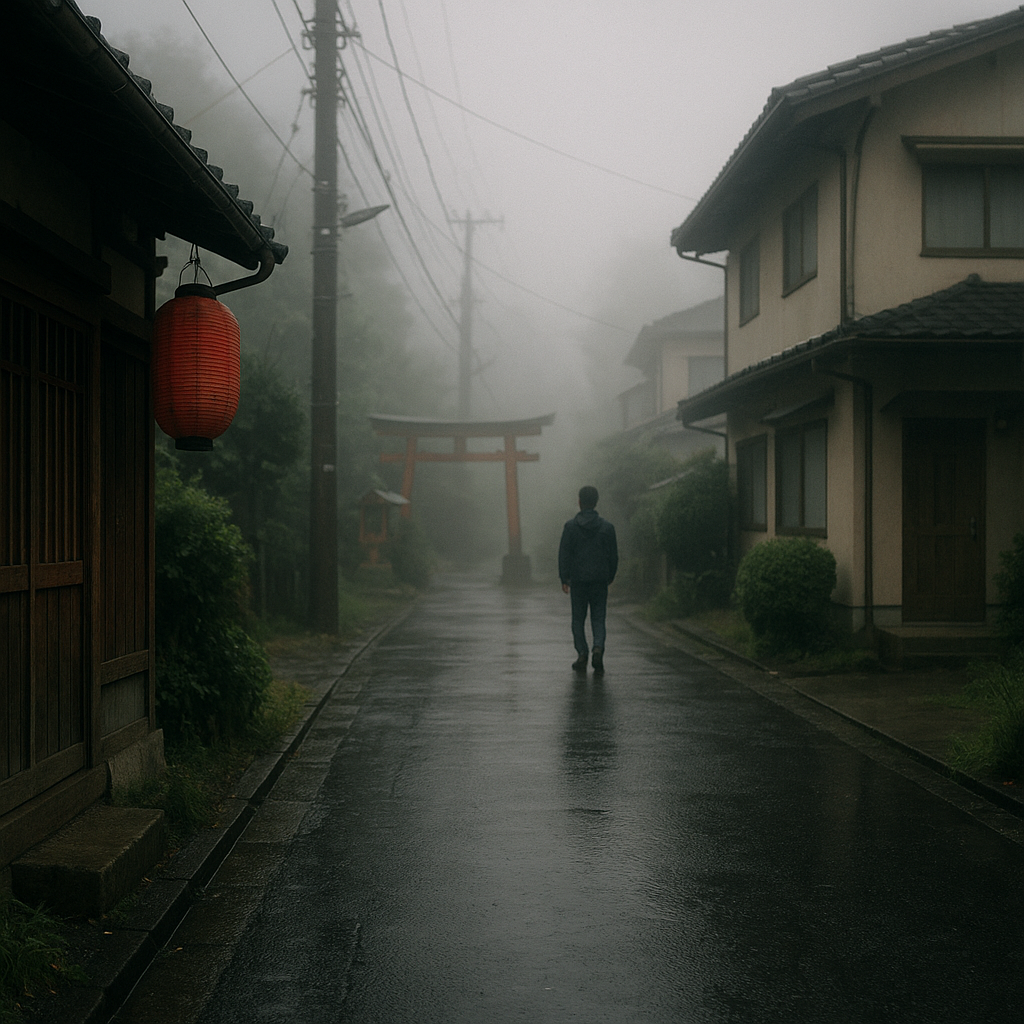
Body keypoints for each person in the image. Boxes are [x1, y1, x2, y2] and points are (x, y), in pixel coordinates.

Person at [558, 485, 618, 673]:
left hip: (578, 581)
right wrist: (610, 575)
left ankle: (582, 654)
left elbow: (564, 554)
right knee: (598, 618)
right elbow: (613, 556)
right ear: (596, 502)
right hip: (600, 579)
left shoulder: (570, 527)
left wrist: (564, 578)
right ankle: (598, 648)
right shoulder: (607, 528)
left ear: (579, 502)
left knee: (578, 619)